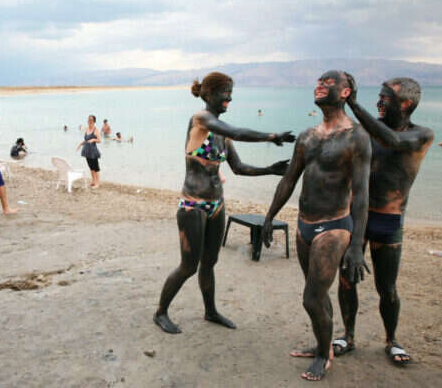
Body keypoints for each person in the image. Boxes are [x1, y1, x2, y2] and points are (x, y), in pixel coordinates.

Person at [154, 72, 295, 336]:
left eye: (231, 93)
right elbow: (238, 131)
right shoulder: (200, 120)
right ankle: (161, 312)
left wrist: (270, 169)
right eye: (225, 93)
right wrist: (271, 135)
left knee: (210, 262)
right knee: (189, 266)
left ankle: (210, 311)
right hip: (193, 206)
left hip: (216, 205)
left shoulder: (222, 136)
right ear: (209, 94)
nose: (229, 98)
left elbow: (239, 168)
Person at [261, 70, 371, 381]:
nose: (320, 86)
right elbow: (289, 180)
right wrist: (269, 217)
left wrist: (357, 246)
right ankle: (325, 345)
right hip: (304, 225)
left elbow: (362, 194)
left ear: (346, 92)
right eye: (318, 82)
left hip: (334, 226)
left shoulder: (357, 137)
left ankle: (324, 355)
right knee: (319, 296)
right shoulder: (307, 136)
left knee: (311, 298)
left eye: (328, 83)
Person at [337, 77, 434, 366]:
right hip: (356, 215)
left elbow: (391, 140)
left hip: (388, 220)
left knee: (387, 288)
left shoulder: (422, 135)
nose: (379, 102)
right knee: (346, 279)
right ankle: (348, 336)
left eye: (385, 97)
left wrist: (354, 104)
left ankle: (391, 340)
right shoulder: (366, 131)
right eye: (378, 96)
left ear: (406, 104)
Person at [77, 115, 102, 188]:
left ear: (94, 121)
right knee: (91, 167)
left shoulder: (96, 130)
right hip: (87, 151)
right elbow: (86, 140)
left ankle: (97, 183)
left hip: (93, 152)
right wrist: (80, 144)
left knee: (96, 168)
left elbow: (99, 140)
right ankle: (93, 181)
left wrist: (93, 139)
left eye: (91, 120)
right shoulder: (87, 129)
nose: (90, 121)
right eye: (89, 120)